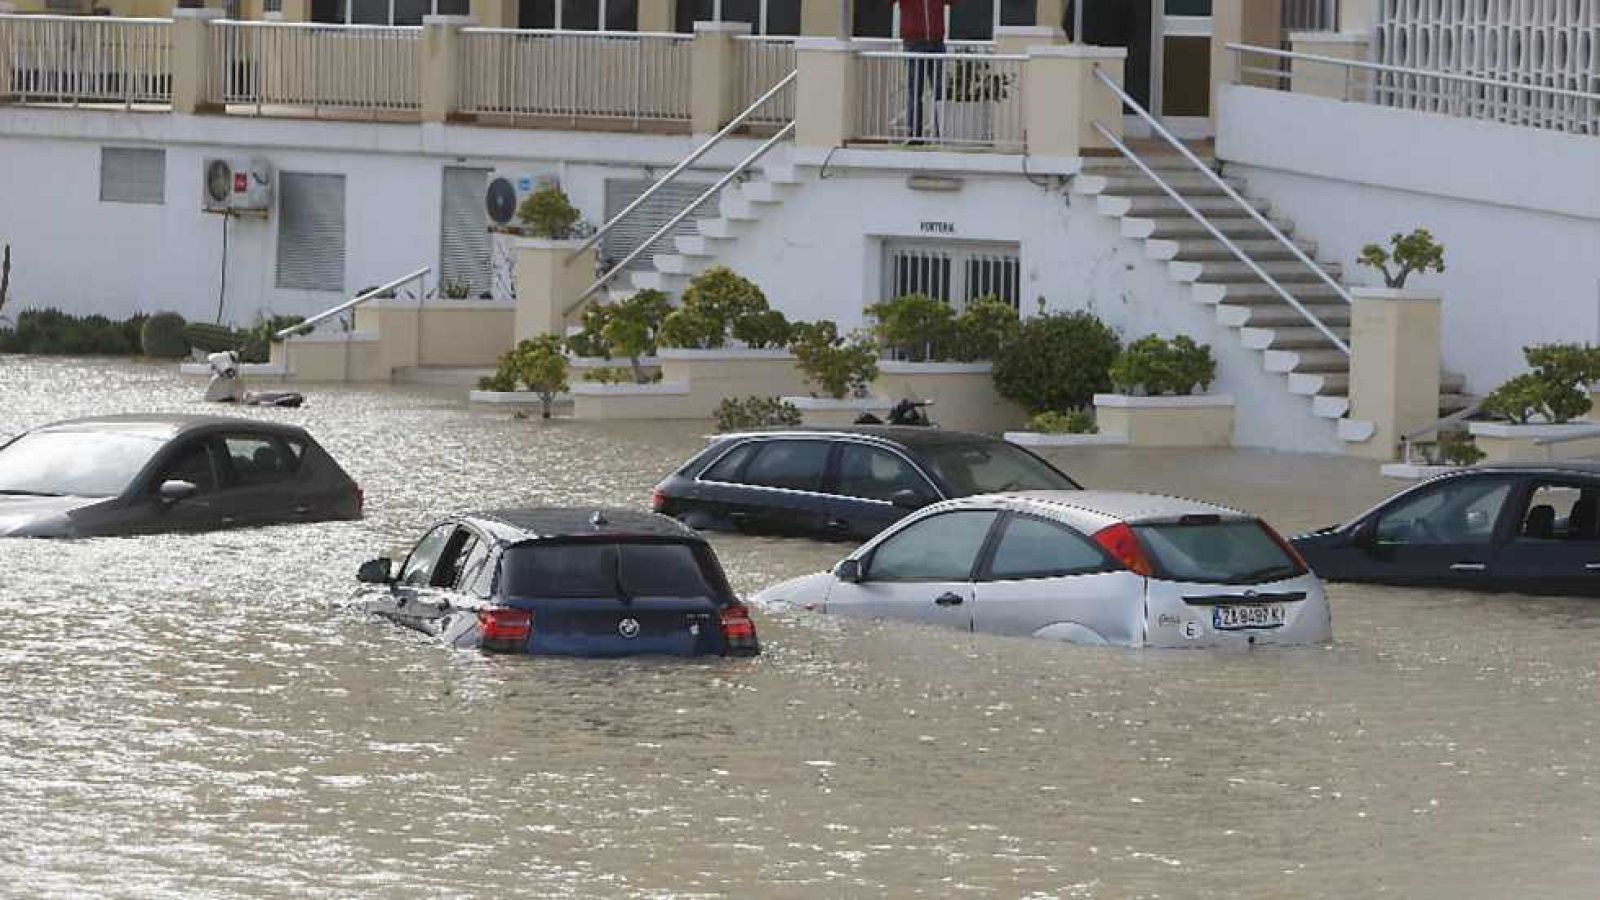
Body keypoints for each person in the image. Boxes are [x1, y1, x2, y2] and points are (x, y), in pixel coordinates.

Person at [895, 0, 953, 142]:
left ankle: (941, 134)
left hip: (936, 42)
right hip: (913, 42)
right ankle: (915, 136)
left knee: (940, 91)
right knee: (915, 91)